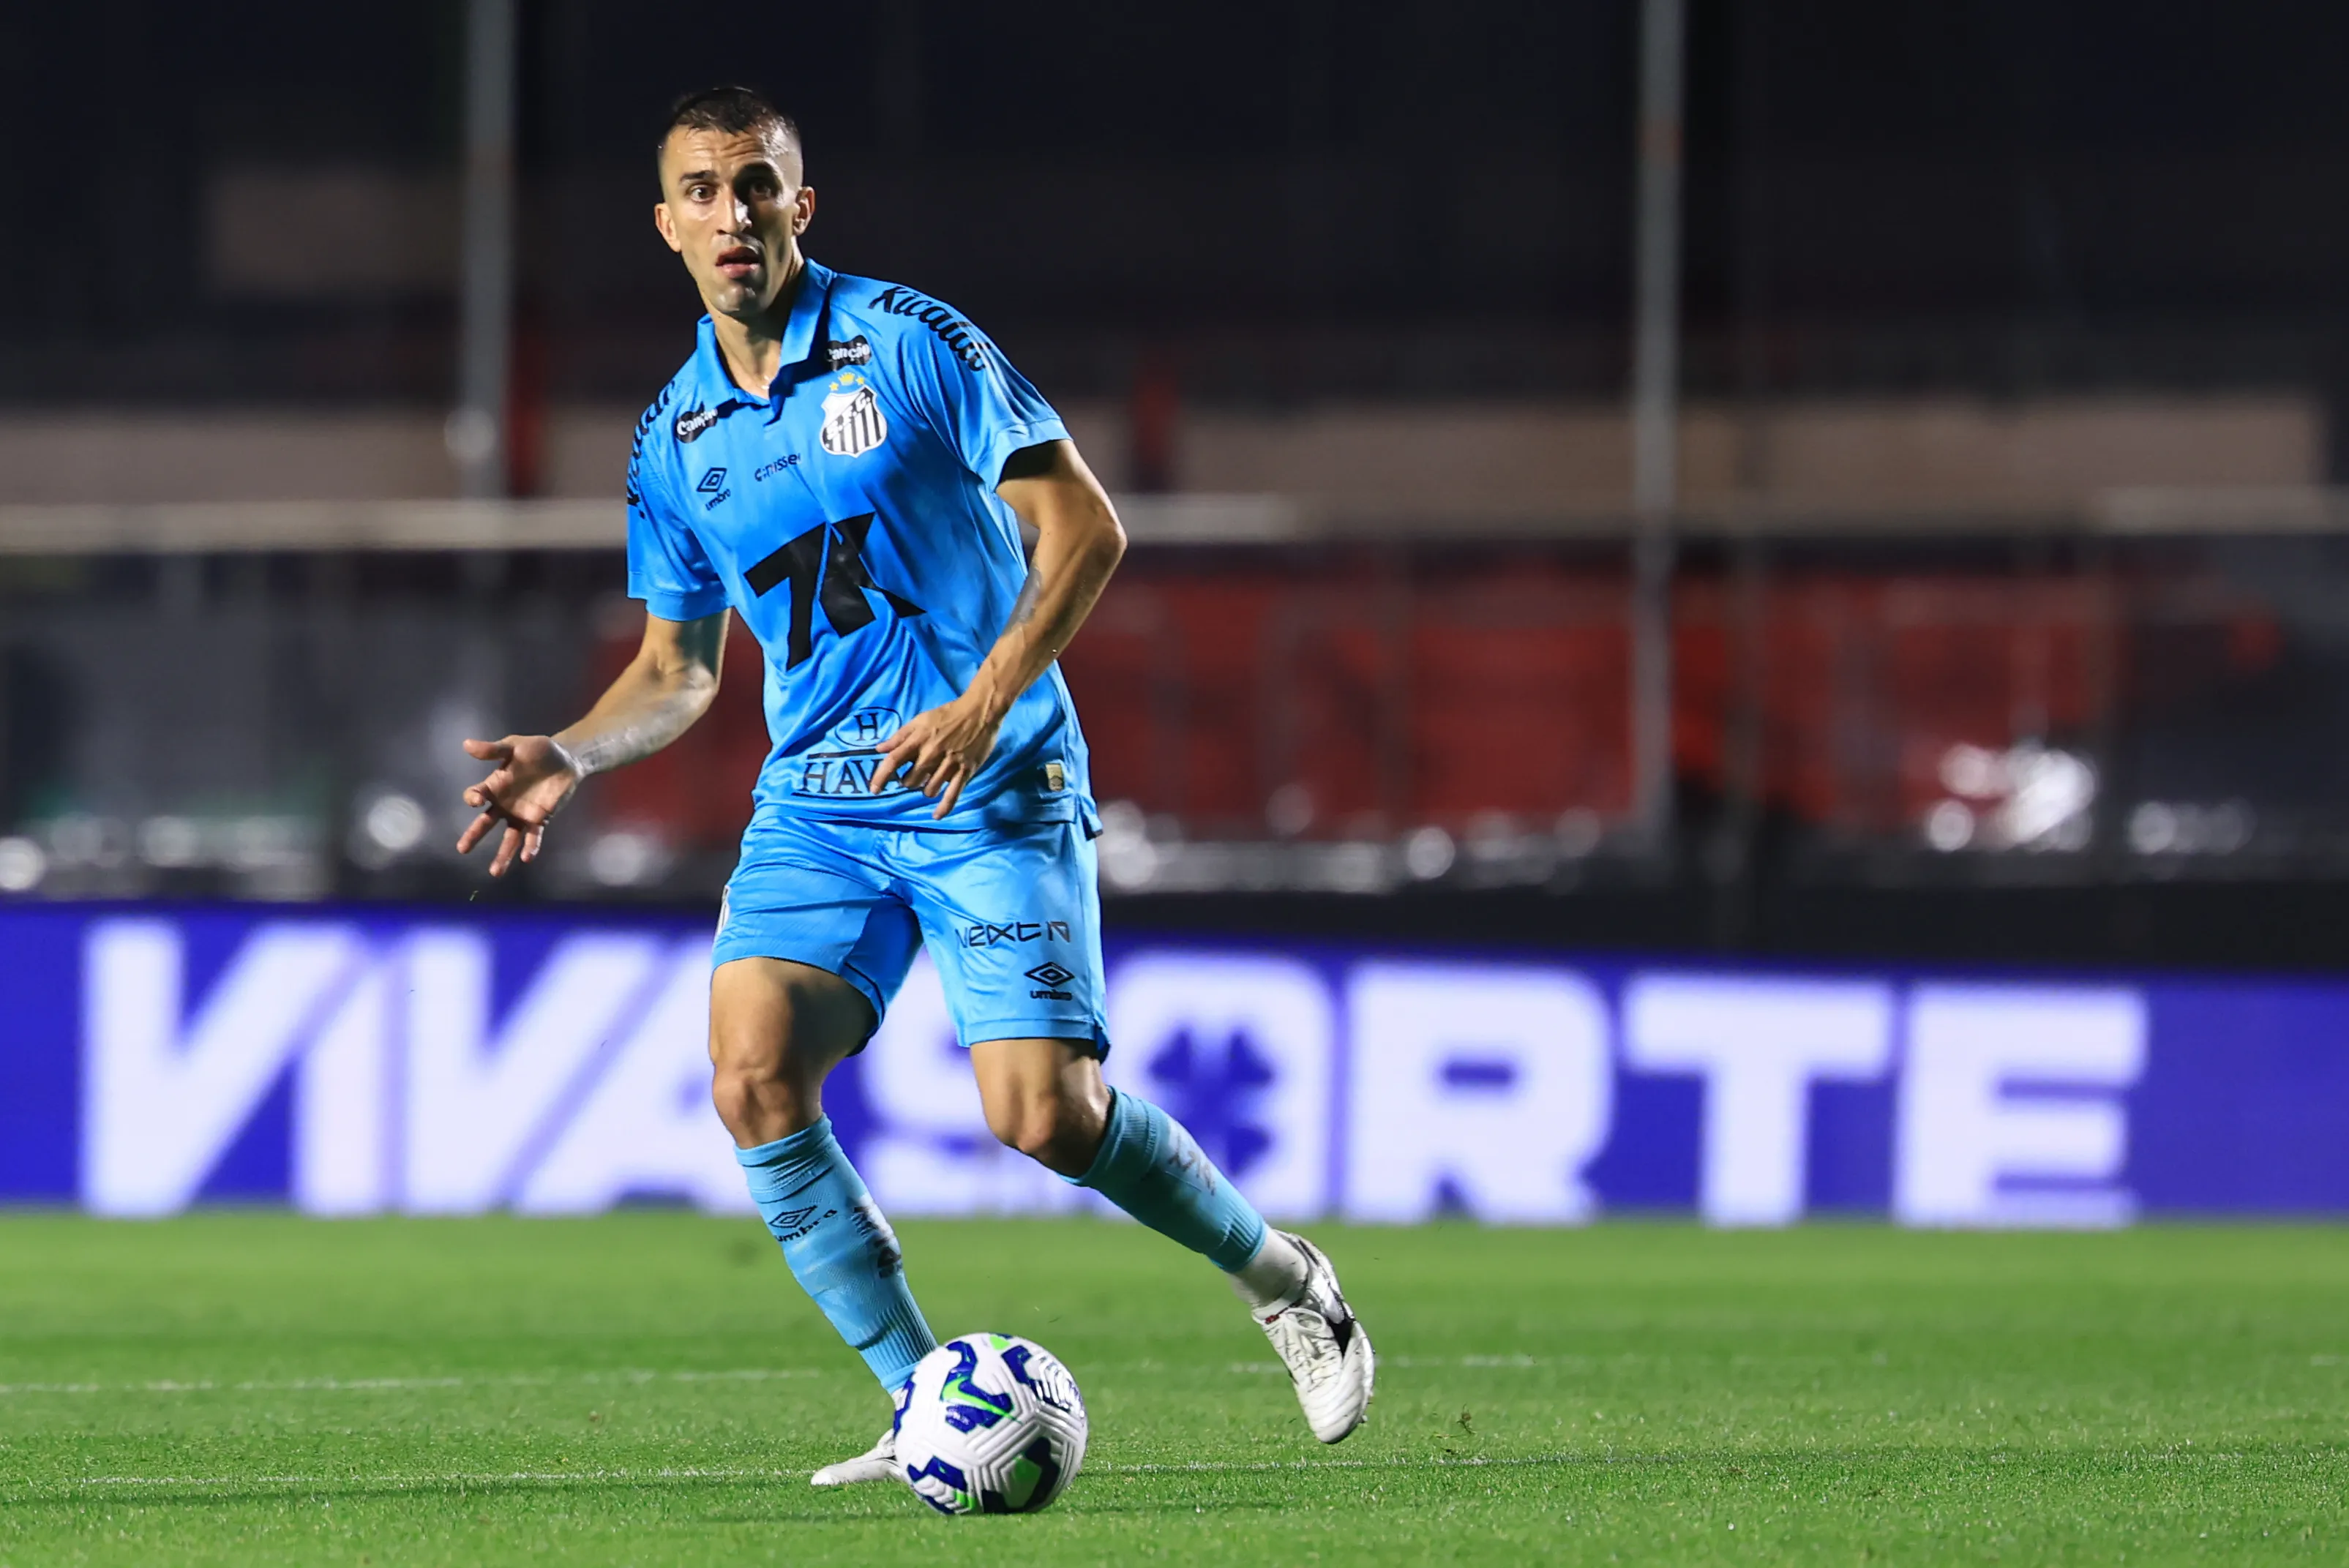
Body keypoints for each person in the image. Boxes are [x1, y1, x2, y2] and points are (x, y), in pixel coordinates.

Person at [456, 86, 1373, 1484]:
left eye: (756, 185)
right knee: (752, 1071)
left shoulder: (911, 340)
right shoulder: (672, 441)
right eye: (700, 191)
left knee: (1043, 1118)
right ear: (666, 226)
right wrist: (569, 754)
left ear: (799, 206)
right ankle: (913, 1397)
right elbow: (680, 669)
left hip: (988, 774)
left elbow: (1086, 528)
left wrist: (985, 695)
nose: (731, 214)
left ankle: (1283, 1279)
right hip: (817, 801)